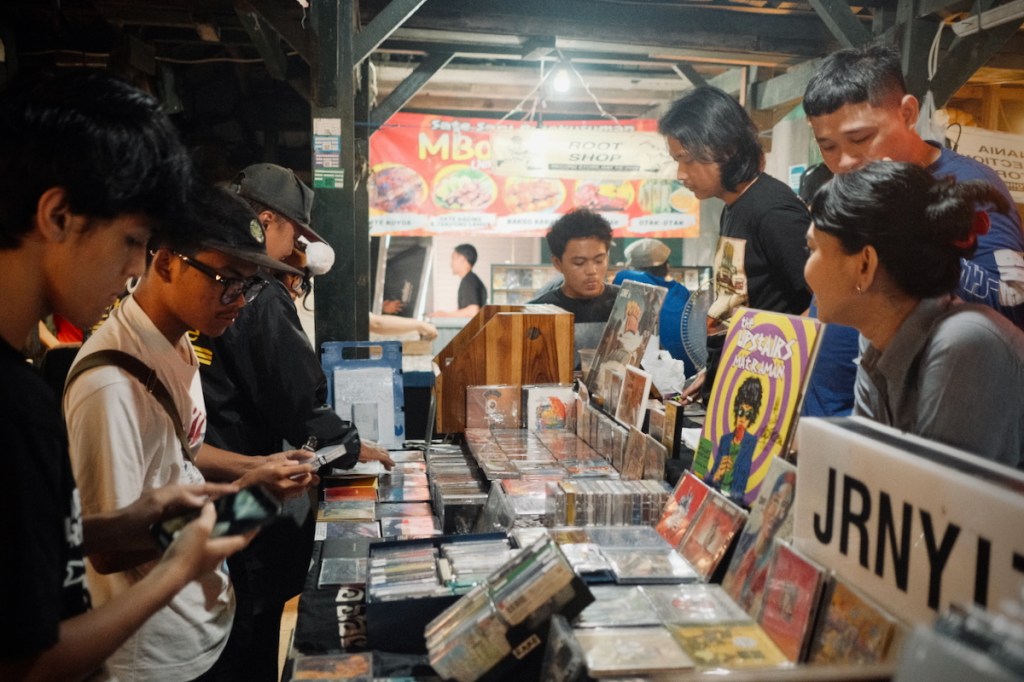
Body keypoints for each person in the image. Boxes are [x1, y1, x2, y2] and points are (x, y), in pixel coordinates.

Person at [0, 71, 252, 682]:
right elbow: (29, 665)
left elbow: (30, 546)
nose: (137, 269)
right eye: (133, 241)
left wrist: (136, 515)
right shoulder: (18, 403)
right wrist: (173, 569)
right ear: (58, 215)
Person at [63, 185, 316, 681]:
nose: (239, 301)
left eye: (248, 284)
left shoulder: (176, 344)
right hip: (158, 655)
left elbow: (186, 451)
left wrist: (257, 470)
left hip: (205, 620)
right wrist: (241, 507)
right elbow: (109, 548)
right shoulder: (111, 385)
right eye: (226, 280)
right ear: (164, 264)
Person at [194, 163, 393, 682]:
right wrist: (347, 445)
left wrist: (260, 471)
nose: (295, 250)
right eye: (294, 233)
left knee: (234, 599)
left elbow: (188, 444)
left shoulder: (215, 307)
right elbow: (296, 399)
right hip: (219, 509)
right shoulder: (254, 295)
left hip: (221, 489)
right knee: (249, 613)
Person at [801, 43, 1024, 417]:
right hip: (835, 411)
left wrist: (913, 230)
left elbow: (1009, 307)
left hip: (903, 420)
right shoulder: (848, 188)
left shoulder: (965, 184)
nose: (845, 162)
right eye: (828, 147)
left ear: (907, 113)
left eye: (860, 139)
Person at [805, 161, 1024, 469]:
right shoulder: (873, 339)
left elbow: (937, 504)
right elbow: (866, 471)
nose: (807, 270)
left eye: (812, 249)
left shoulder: (965, 343)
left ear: (865, 265)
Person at [659, 86, 811, 335]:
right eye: (677, 161)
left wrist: (782, 350)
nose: (681, 174)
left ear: (726, 150)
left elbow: (823, 303)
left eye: (688, 160)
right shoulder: (734, 205)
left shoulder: (773, 211)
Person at [613, 238, 696, 377]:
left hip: (650, 374)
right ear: (667, 266)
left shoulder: (625, 277)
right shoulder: (682, 291)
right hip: (688, 373)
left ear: (634, 267)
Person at [722, 469, 797, 615]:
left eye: (785, 506)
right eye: (776, 501)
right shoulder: (744, 543)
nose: (777, 514)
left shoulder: (777, 567)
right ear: (766, 503)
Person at [529, 208, 620, 323]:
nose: (591, 271)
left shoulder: (626, 305)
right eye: (579, 263)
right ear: (558, 263)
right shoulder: (538, 312)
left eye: (599, 260)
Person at [701, 376, 764, 503]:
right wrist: (717, 475)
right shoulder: (725, 440)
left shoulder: (752, 443)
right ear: (736, 411)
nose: (743, 418)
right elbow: (710, 475)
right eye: (741, 412)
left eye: (748, 415)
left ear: (752, 418)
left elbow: (744, 486)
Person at [433, 243, 487, 317]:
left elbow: (473, 311)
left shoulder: (469, 281)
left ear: (462, 259)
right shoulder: (471, 279)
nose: (451, 263)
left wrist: (445, 315)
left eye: (453, 258)